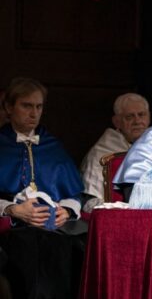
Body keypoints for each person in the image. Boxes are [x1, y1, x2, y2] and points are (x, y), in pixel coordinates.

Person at [0, 77, 85, 298]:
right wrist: (12, 209)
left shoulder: (52, 145)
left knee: (70, 250)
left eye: (39, 107)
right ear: (9, 107)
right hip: (13, 231)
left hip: (54, 231)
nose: (34, 113)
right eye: (26, 106)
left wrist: (67, 210)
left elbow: (74, 193)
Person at [80, 93, 150, 212]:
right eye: (129, 117)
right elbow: (89, 201)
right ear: (116, 121)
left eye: (141, 115)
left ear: (149, 117)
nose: (137, 121)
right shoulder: (102, 154)